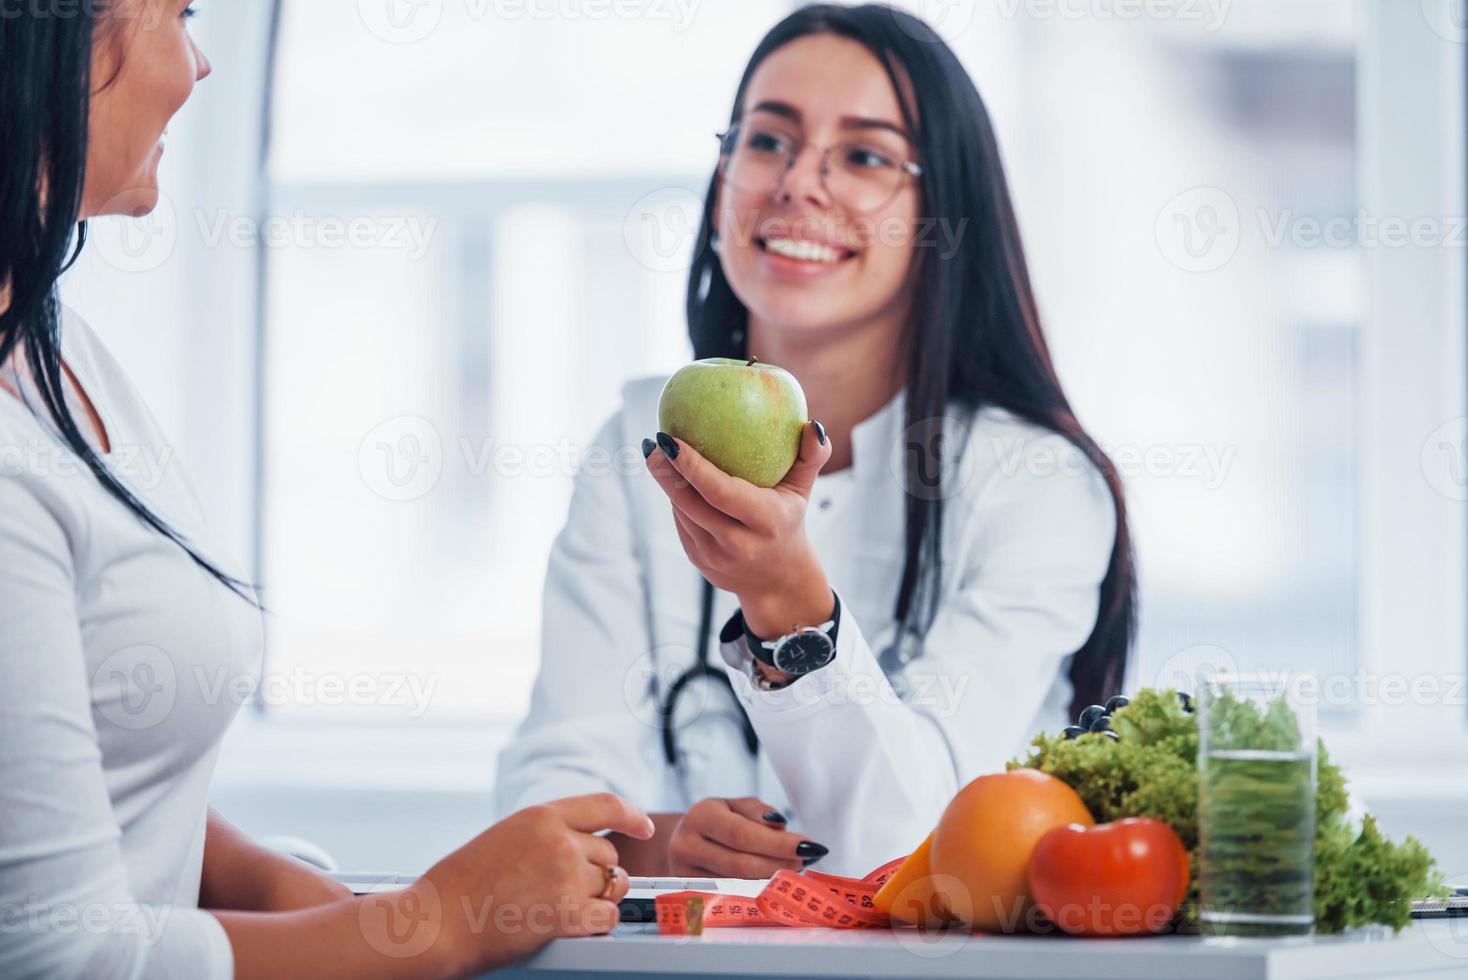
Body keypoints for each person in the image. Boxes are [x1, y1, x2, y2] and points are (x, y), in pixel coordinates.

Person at [0, 3, 652, 977]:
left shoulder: (52, 351)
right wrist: (439, 920)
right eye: (178, 14)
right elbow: (61, 954)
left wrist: (295, 892)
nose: (202, 63)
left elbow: (90, 768)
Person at [496, 3, 1136, 879]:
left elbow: (919, 851)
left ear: (945, 209)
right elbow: (547, 801)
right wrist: (661, 841)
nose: (798, 183)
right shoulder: (634, 447)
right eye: (767, 140)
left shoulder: (1035, 484)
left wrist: (788, 606)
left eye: (866, 155)